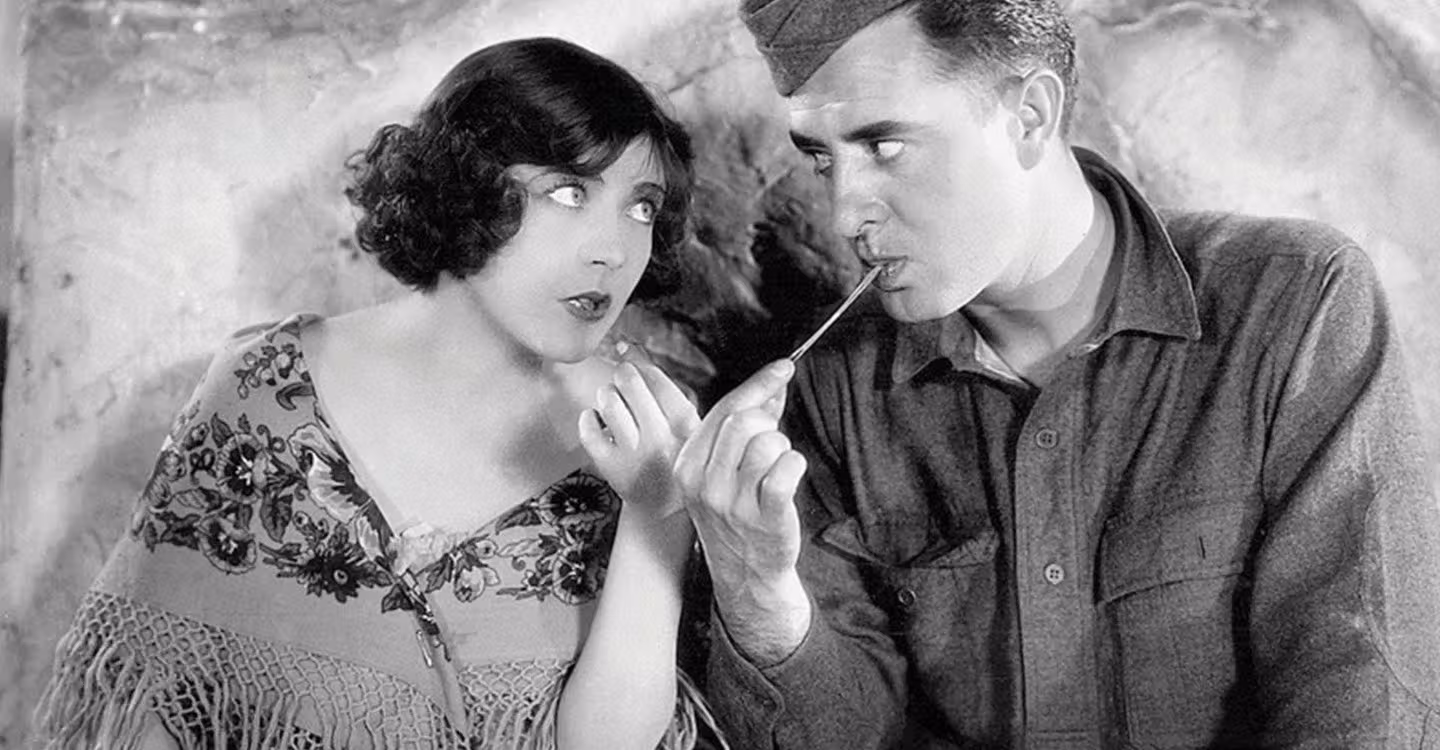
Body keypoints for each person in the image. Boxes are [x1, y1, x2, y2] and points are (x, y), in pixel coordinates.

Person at [671, 0, 1440, 747]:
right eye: (821, 159)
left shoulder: (1293, 304)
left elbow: (1363, 696)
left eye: (886, 147)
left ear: (1030, 116)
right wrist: (759, 594)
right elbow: (847, 732)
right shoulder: (831, 393)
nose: (845, 214)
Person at [33, 36, 724, 750]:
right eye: (569, 192)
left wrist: (656, 510)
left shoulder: (643, 432)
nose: (612, 250)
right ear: (464, 184)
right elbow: (155, 708)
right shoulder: (267, 388)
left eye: (642, 209)